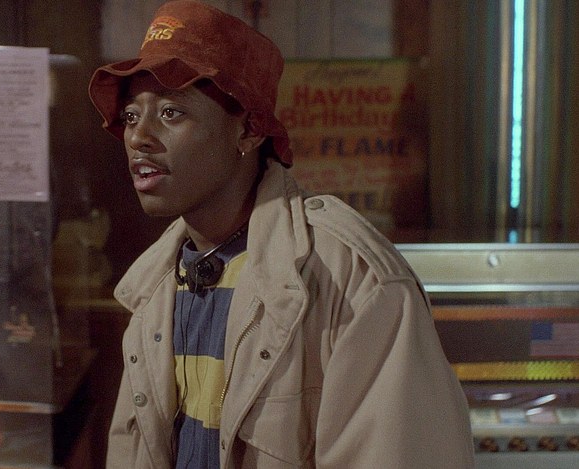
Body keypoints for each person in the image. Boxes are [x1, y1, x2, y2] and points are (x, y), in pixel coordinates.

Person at [87, 1, 474, 467]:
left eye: (171, 112)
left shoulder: (348, 277)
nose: (138, 137)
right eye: (131, 116)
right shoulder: (154, 285)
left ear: (249, 130)